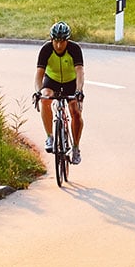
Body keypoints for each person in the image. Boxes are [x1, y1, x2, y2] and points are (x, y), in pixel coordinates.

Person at [35, 21, 86, 164]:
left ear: (67, 40)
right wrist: (38, 92)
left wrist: (78, 91)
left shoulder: (75, 49)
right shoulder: (46, 49)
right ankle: (50, 136)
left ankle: (75, 147)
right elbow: (39, 74)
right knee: (45, 98)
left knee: (75, 111)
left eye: (62, 41)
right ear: (51, 39)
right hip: (52, 80)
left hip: (71, 82)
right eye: (56, 41)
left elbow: (80, 72)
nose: (58, 45)